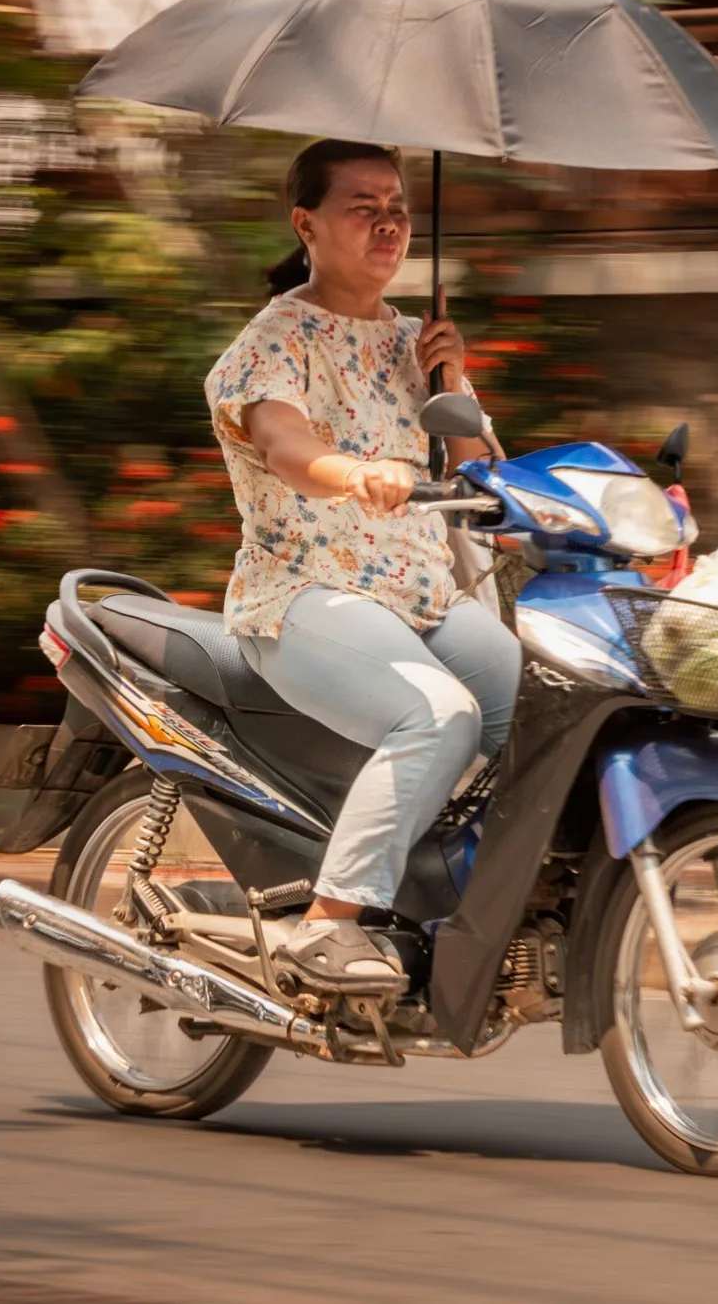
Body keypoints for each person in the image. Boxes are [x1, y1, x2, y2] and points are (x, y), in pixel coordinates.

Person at [202, 138, 522, 995]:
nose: (389, 223)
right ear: (306, 223)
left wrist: (449, 378)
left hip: (419, 592)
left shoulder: (415, 338)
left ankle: (465, 901)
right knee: (439, 714)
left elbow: (481, 470)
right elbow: (286, 445)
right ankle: (329, 925)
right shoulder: (273, 339)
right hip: (306, 592)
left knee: (539, 706)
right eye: (364, 206)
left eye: (399, 208)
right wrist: (357, 473)